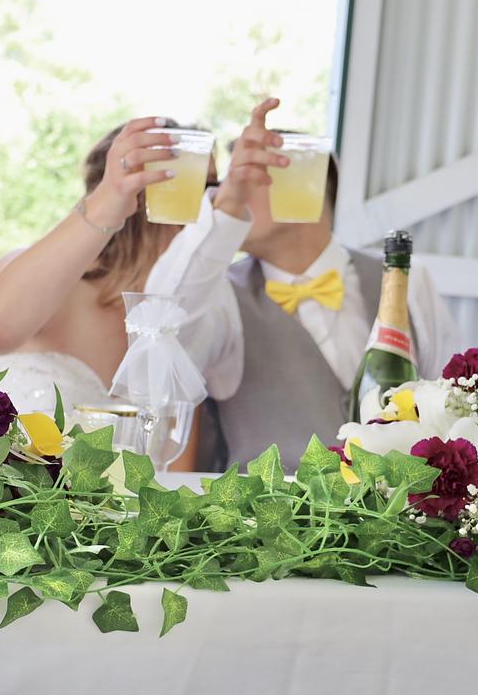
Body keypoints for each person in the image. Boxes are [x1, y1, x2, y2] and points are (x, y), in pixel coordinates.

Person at [0, 119, 213, 471]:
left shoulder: (180, 319)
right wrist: (108, 201)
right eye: (209, 187)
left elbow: (175, 472)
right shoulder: (52, 287)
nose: (217, 202)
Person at [144, 97, 459, 471]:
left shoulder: (408, 278)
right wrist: (224, 208)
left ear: (303, 183)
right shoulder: (221, 295)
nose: (233, 190)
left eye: (248, 176)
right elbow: (160, 331)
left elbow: (451, 404)